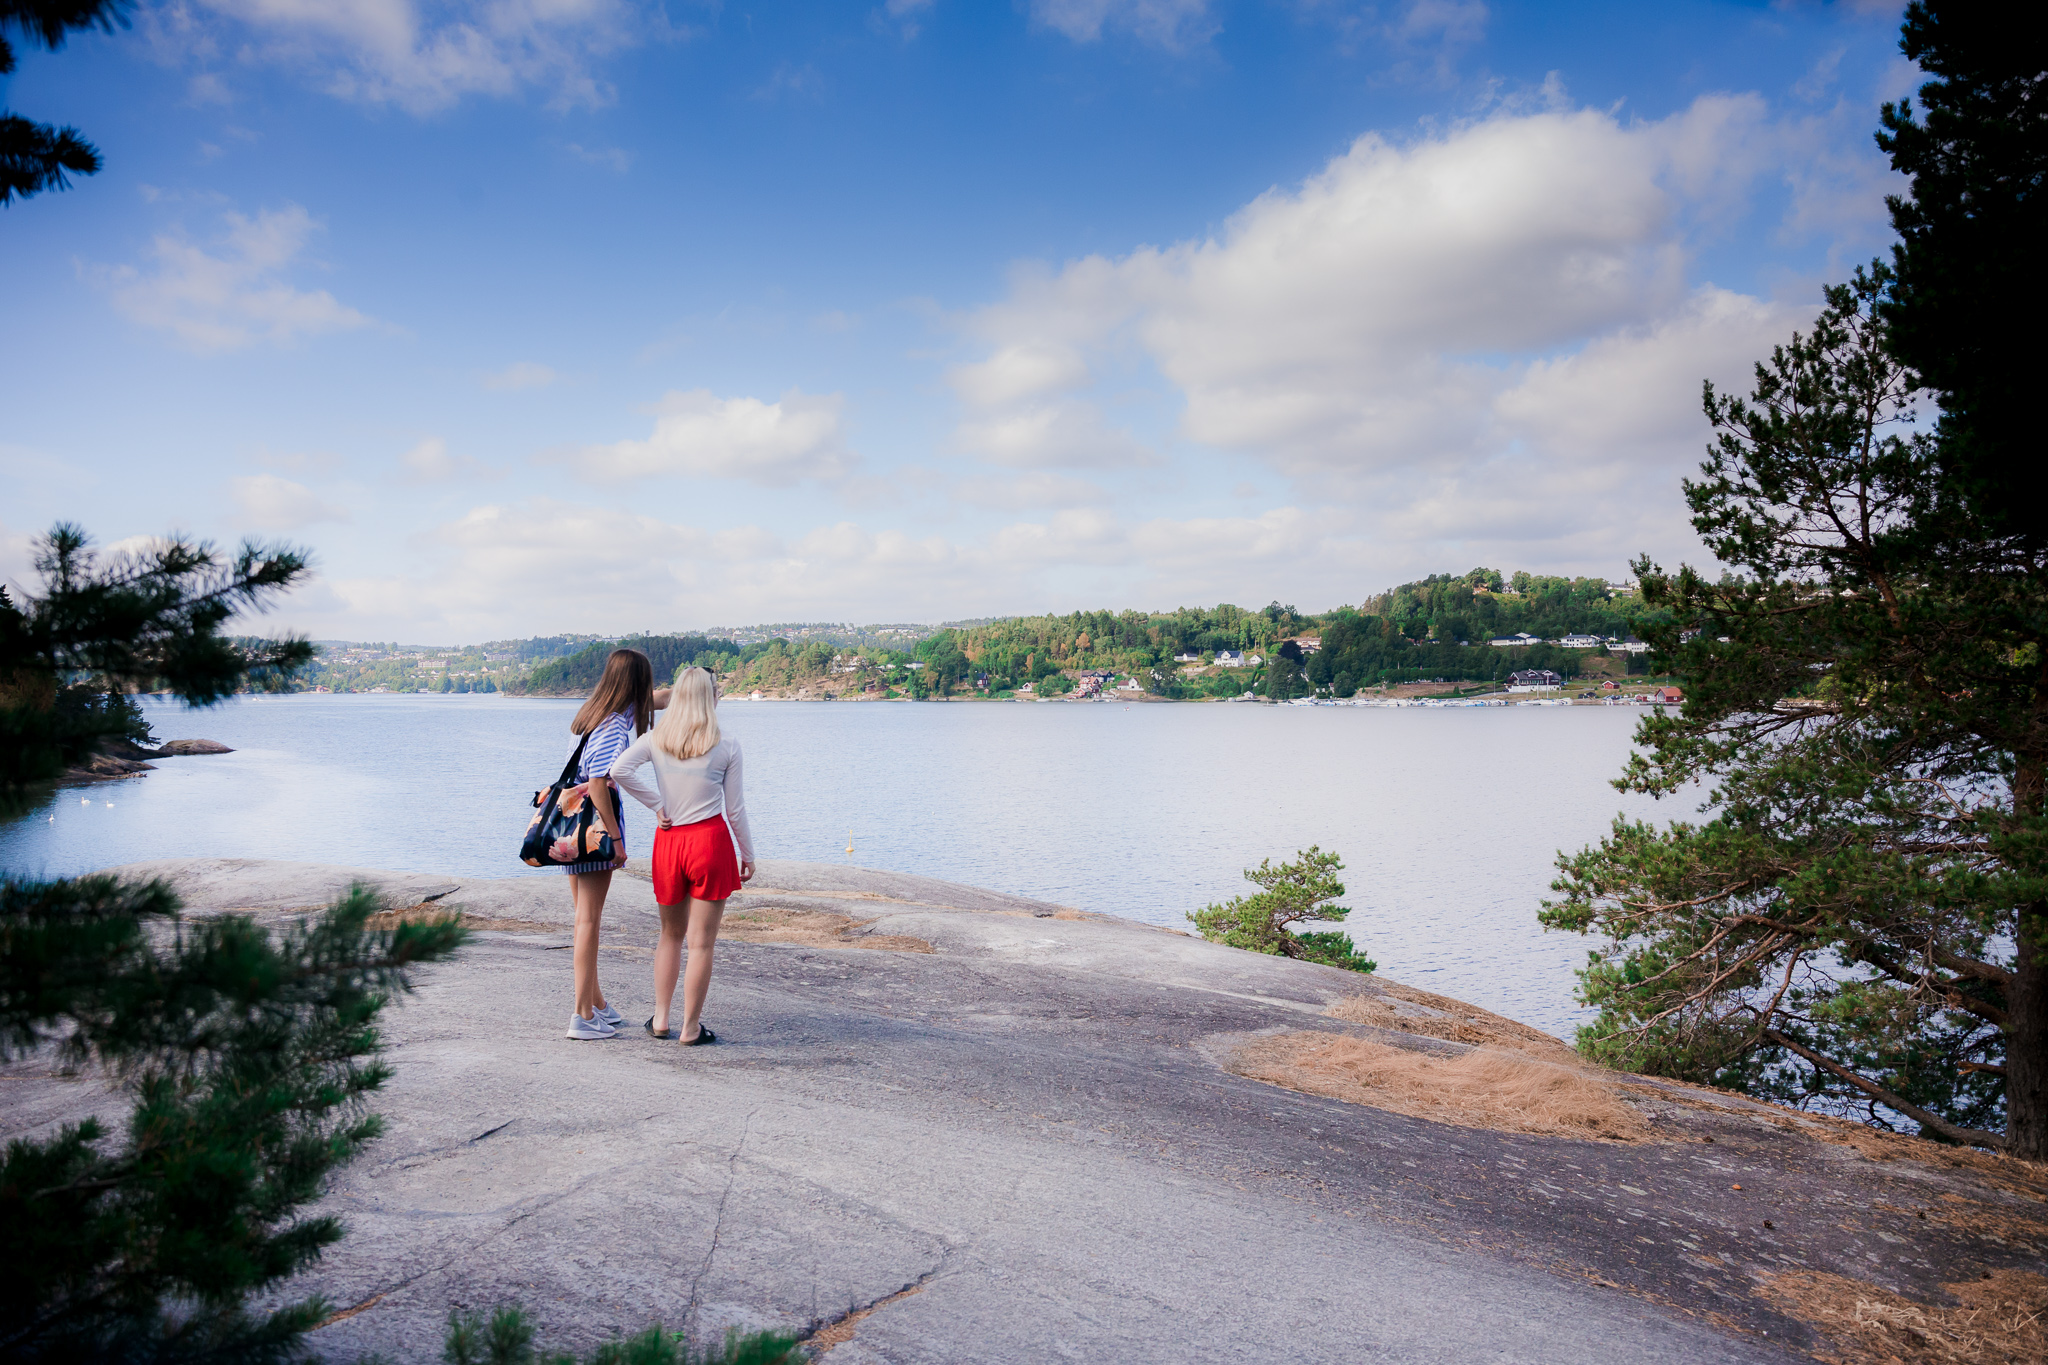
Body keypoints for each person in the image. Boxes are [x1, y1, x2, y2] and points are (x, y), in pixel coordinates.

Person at [609, 666, 755, 1045]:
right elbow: (735, 810)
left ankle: (660, 1019)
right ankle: (690, 1028)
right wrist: (748, 853)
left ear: (677, 697)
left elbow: (618, 769)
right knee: (702, 943)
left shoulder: (656, 739)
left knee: (670, 936)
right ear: (710, 698)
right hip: (709, 842)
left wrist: (657, 804)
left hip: (670, 842)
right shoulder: (727, 745)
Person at [559, 648, 666, 1040]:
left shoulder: (592, 711)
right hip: (594, 826)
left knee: (582, 919)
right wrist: (617, 839)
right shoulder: (613, 726)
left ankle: (597, 1003)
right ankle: (581, 1015)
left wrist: (695, 687)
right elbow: (600, 782)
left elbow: (660, 699)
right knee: (588, 921)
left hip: (572, 823)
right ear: (637, 682)